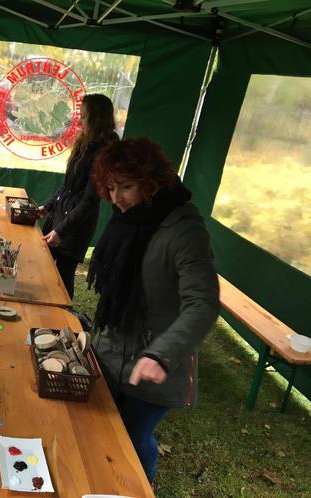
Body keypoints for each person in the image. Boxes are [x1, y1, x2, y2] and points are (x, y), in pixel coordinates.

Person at [86, 137, 219, 485]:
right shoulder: (128, 217)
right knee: (101, 428)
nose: (116, 199)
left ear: (153, 180)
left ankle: (140, 487)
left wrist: (160, 354)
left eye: (126, 187)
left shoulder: (185, 229)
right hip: (112, 349)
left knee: (131, 437)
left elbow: (202, 303)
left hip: (157, 362)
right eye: (111, 188)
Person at [39, 94, 119, 299]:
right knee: (44, 271)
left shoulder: (105, 151)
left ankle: (64, 324)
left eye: (84, 117)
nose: (79, 120)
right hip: (61, 216)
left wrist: (61, 231)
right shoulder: (85, 143)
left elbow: (90, 201)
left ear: (96, 118)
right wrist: (47, 206)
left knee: (64, 277)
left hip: (76, 225)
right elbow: (68, 186)